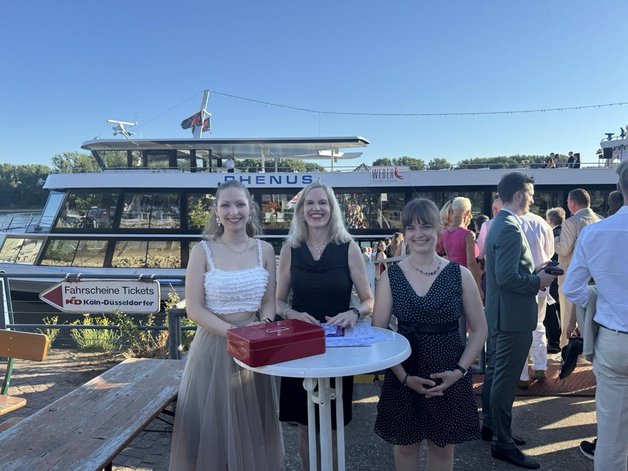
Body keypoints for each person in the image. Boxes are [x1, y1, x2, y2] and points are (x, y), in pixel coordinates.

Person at [169, 180, 284, 470]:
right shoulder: (202, 251)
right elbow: (194, 309)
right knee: (212, 434)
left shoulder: (265, 250)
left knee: (253, 434)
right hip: (213, 350)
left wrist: (262, 328)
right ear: (216, 211)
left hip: (254, 351)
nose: (234, 211)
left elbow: (269, 301)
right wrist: (236, 334)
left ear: (251, 208)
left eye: (240, 204)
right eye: (226, 205)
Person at [373, 198, 487, 471]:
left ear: (438, 228)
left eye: (425, 226)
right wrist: (404, 377)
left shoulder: (460, 275)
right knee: (405, 448)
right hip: (404, 372)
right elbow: (380, 333)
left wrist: (459, 372)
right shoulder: (391, 277)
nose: (418, 234)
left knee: (443, 450)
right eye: (411, 227)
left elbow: (481, 329)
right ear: (404, 232)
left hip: (449, 373)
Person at [275, 181, 374, 470]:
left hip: (338, 348)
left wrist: (354, 313)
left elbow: (369, 300)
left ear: (332, 209)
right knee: (305, 426)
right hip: (300, 346)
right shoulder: (291, 249)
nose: (316, 208)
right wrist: (291, 313)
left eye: (323, 203)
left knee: (331, 427)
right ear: (301, 210)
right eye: (310, 203)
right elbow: (278, 302)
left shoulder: (348, 248)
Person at [482, 172, 556, 469]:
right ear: (519, 195)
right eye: (531, 194)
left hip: (501, 313)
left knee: (496, 374)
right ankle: (502, 442)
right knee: (505, 379)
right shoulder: (511, 228)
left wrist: (534, 274)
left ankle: (492, 428)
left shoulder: (499, 224)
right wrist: (539, 280)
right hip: (512, 316)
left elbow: (502, 275)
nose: (533, 199)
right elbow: (508, 278)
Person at [562, 161, 628, 470]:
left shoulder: (595, 233)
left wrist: (602, 296)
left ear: (619, 188)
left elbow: (573, 289)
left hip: (614, 341)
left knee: (611, 440)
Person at [554, 188, 602, 348]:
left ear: (572, 203)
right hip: (597, 276)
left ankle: (567, 350)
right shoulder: (601, 220)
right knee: (592, 316)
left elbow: (564, 249)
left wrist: (554, 241)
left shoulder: (571, 222)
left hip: (572, 275)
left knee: (568, 314)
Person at [518, 211, 555, 388]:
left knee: (519, 330)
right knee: (538, 325)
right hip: (541, 280)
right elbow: (550, 252)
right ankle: (540, 367)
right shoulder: (541, 222)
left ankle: (522, 375)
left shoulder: (510, 221)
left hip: (519, 283)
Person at [441, 196, 483, 296]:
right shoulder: (468, 234)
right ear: (467, 213)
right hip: (466, 279)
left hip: (451, 279)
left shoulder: (445, 234)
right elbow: (471, 264)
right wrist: (478, 288)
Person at [544, 207, 566, 353]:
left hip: (552, 275)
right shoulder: (567, 233)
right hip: (565, 275)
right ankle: (563, 339)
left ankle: (553, 341)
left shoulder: (551, 235)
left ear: (550, 220)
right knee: (562, 308)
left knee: (550, 309)